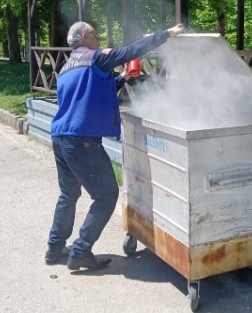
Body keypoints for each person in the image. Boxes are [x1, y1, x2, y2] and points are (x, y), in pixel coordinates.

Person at [45, 21, 185, 270]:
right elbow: (131, 50)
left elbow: (93, 94)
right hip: (82, 141)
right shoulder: (95, 58)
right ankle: (80, 252)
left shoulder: (66, 67)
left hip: (60, 137)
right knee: (107, 195)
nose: (98, 40)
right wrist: (166, 34)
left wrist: (122, 77)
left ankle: (55, 249)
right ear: (85, 36)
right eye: (95, 36)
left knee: (68, 194)